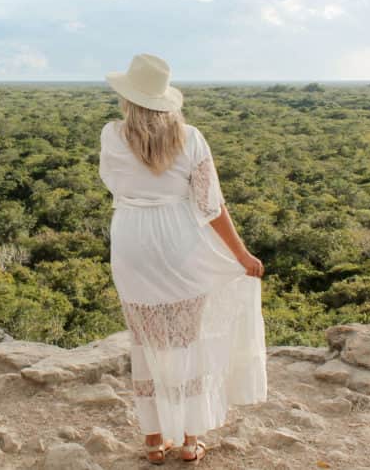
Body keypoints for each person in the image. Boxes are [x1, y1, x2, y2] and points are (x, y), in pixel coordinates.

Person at [98, 53, 268, 465]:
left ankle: (154, 441)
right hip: (180, 239)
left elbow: (114, 185)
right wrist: (241, 255)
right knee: (186, 341)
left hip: (132, 238)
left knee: (145, 340)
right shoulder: (190, 138)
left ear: (129, 98)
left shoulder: (111, 135)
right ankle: (190, 442)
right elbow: (211, 206)